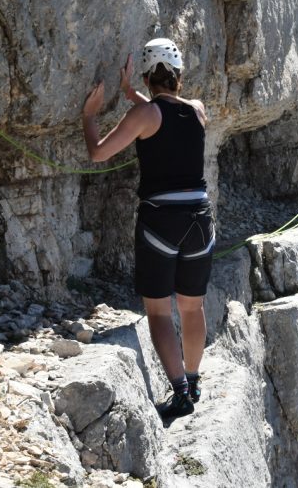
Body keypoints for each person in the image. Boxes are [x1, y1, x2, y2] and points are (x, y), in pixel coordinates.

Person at [82, 36, 213, 422]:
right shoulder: (198, 110)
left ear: (147, 76)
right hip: (200, 221)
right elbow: (166, 115)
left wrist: (89, 116)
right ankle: (194, 377)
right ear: (179, 76)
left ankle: (180, 392)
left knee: (158, 313)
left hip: (161, 221)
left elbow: (99, 152)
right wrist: (131, 94)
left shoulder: (145, 116)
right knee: (192, 307)